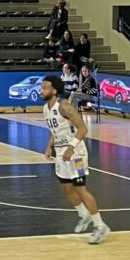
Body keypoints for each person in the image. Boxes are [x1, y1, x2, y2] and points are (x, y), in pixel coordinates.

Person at [40, 75, 110, 244]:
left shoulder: (64, 106)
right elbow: (56, 130)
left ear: (54, 91)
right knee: (66, 187)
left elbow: (83, 129)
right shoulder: (45, 108)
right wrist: (49, 146)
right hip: (61, 153)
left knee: (80, 188)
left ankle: (100, 225)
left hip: (76, 153)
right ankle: (84, 214)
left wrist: (71, 148)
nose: (41, 91)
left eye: (45, 88)